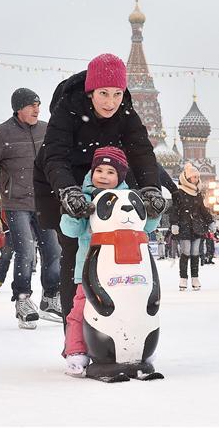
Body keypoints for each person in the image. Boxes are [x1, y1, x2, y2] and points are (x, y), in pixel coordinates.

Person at [34, 54, 165, 328]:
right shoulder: (68, 110)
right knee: (74, 250)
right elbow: (54, 157)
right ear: (91, 92)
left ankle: (119, 324)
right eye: (104, 93)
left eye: (117, 94)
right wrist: (69, 192)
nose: (110, 102)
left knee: (118, 247)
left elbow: (141, 152)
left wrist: (151, 189)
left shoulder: (125, 112)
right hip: (64, 180)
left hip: (107, 179)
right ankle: (76, 335)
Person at [0, 87, 63, 326]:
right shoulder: (1, 134)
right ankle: (23, 300)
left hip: (44, 201)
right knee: (25, 252)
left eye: (38, 105)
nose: (37, 109)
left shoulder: (47, 130)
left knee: (54, 251)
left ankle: (50, 297)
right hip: (16, 203)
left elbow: (59, 161)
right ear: (18, 109)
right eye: (31, 105)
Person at [60, 146, 160, 373]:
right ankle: (76, 351)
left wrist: (154, 209)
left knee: (132, 309)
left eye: (111, 172)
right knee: (81, 311)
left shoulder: (129, 198)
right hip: (90, 268)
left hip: (124, 270)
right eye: (99, 170)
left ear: (120, 177)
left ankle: (135, 348)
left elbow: (146, 225)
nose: (104, 176)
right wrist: (72, 209)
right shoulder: (86, 198)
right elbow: (70, 230)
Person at [169, 163, 214, 291]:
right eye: (194, 177)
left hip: (197, 227)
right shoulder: (179, 193)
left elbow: (203, 210)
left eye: (197, 177)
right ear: (187, 178)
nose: (196, 179)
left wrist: (210, 221)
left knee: (195, 252)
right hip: (184, 227)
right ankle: (183, 278)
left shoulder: (197, 194)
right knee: (186, 252)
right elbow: (175, 210)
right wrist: (174, 224)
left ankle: (195, 277)